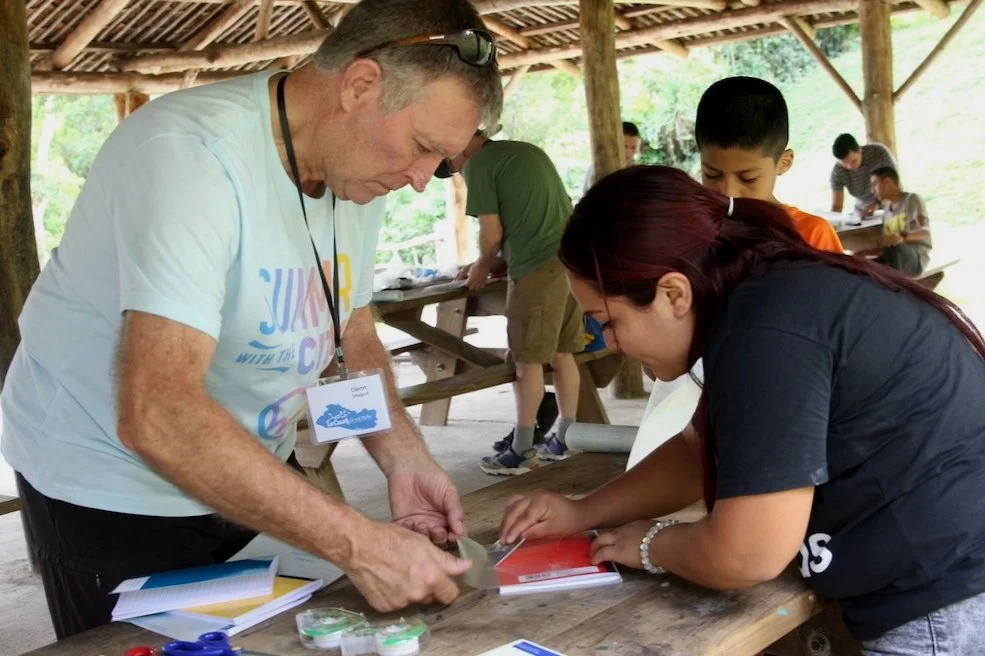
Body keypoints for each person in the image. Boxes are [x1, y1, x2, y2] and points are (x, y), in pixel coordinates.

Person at [0, 0, 503, 639]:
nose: (420, 181)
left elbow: (344, 340)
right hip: (111, 484)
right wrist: (358, 544)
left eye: (443, 163)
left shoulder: (358, 173)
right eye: (424, 149)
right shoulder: (191, 155)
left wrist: (402, 457)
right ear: (360, 85)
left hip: (243, 464)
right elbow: (158, 415)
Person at [500, 166, 985, 655]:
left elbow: (746, 553)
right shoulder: (773, 297)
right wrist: (583, 510)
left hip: (950, 605)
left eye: (607, 321)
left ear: (672, 293)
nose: (608, 343)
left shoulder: (764, 334)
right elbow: (700, 451)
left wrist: (653, 545)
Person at [453, 134, 583, 475]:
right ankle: (566, 438)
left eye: (448, 161)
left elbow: (491, 232)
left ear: (461, 144)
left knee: (525, 361)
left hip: (538, 267)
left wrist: (482, 265)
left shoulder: (477, 163)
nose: (453, 167)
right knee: (561, 352)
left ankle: (522, 451)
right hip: (572, 258)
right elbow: (532, 216)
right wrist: (499, 261)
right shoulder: (523, 150)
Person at [696, 76, 842, 253]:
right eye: (712, 175)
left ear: (784, 163)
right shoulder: (693, 234)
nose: (728, 192)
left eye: (748, 178)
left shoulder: (811, 235)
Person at [870, 167, 932, 277]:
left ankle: (896, 287)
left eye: (874, 184)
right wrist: (864, 254)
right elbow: (887, 246)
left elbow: (924, 232)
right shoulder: (887, 210)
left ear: (887, 182)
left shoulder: (912, 199)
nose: (872, 191)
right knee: (863, 266)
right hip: (895, 259)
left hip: (915, 260)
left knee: (895, 246)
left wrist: (902, 237)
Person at [830, 133, 898, 216]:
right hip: (862, 211)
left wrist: (877, 204)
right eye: (844, 163)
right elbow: (836, 207)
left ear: (859, 150)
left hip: (889, 205)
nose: (849, 167)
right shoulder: (837, 171)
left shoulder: (879, 153)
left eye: (853, 161)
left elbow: (894, 186)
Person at [583, 121, 643, 194]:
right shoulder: (599, 166)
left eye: (633, 148)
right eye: (624, 146)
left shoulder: (634, 168)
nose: (628, 152)